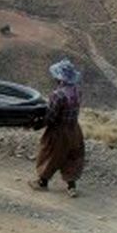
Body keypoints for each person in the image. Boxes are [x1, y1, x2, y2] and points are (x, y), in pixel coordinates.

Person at [32, 59, 85, 197]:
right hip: (74, 129)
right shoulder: (77, 91)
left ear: (59, 77)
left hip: (59, 131)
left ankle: (42, 182)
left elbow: (51, 116)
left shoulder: (58, 95)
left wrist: (38, 124)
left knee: (50, 154)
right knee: (72, 156)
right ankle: (71, 186)